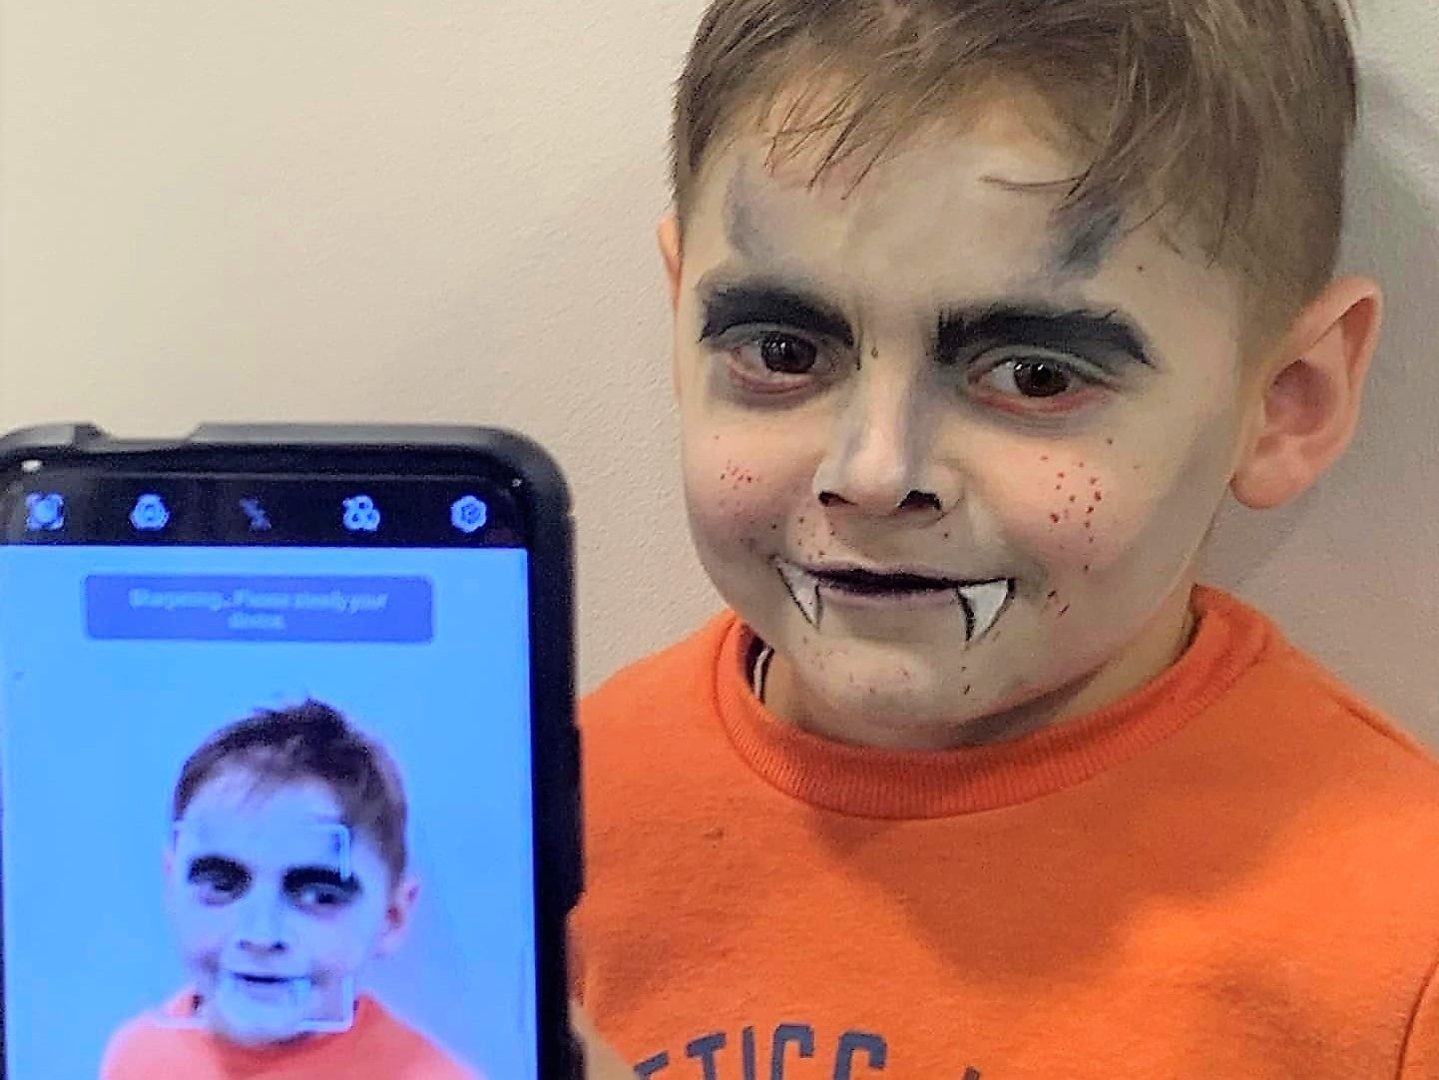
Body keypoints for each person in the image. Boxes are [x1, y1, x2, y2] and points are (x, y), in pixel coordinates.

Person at [571, 0, 1439, 1076]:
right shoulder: (520, 835)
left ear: (1286, 402)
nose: (872, 474)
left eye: (1032, 376)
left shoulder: (1401, 940)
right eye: (783, 352)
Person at [102, 699, 481, 1080]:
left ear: (392, 918)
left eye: (319, 896)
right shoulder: (139, 1055)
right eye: (221, 884)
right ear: (172, 886)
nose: (261, 936)